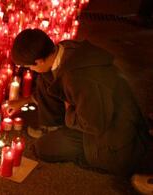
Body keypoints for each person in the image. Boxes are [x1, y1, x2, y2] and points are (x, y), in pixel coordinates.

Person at [8, 28, 150, 176]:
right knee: (45, 78)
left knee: (44, 148)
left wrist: (69, 110)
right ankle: (58, 127)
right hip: (94, 111)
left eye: (30, 66)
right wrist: (24, 101)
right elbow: (52, 84)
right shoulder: (64, 50)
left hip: (112, 133)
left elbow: (93, 123)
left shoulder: (77, 78)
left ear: (39, 61)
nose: (31, 69)